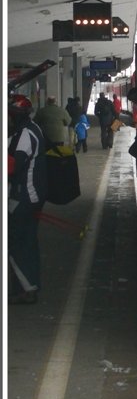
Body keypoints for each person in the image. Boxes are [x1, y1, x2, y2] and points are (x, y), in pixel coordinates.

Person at [7, 94, 47, 305]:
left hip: (24, 196)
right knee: (28, 241)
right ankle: (28, 286)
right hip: (30, 196)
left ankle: (27, 289)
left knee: (17, 243)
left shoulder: (24, 135)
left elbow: (13, 166)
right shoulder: (31, 129)